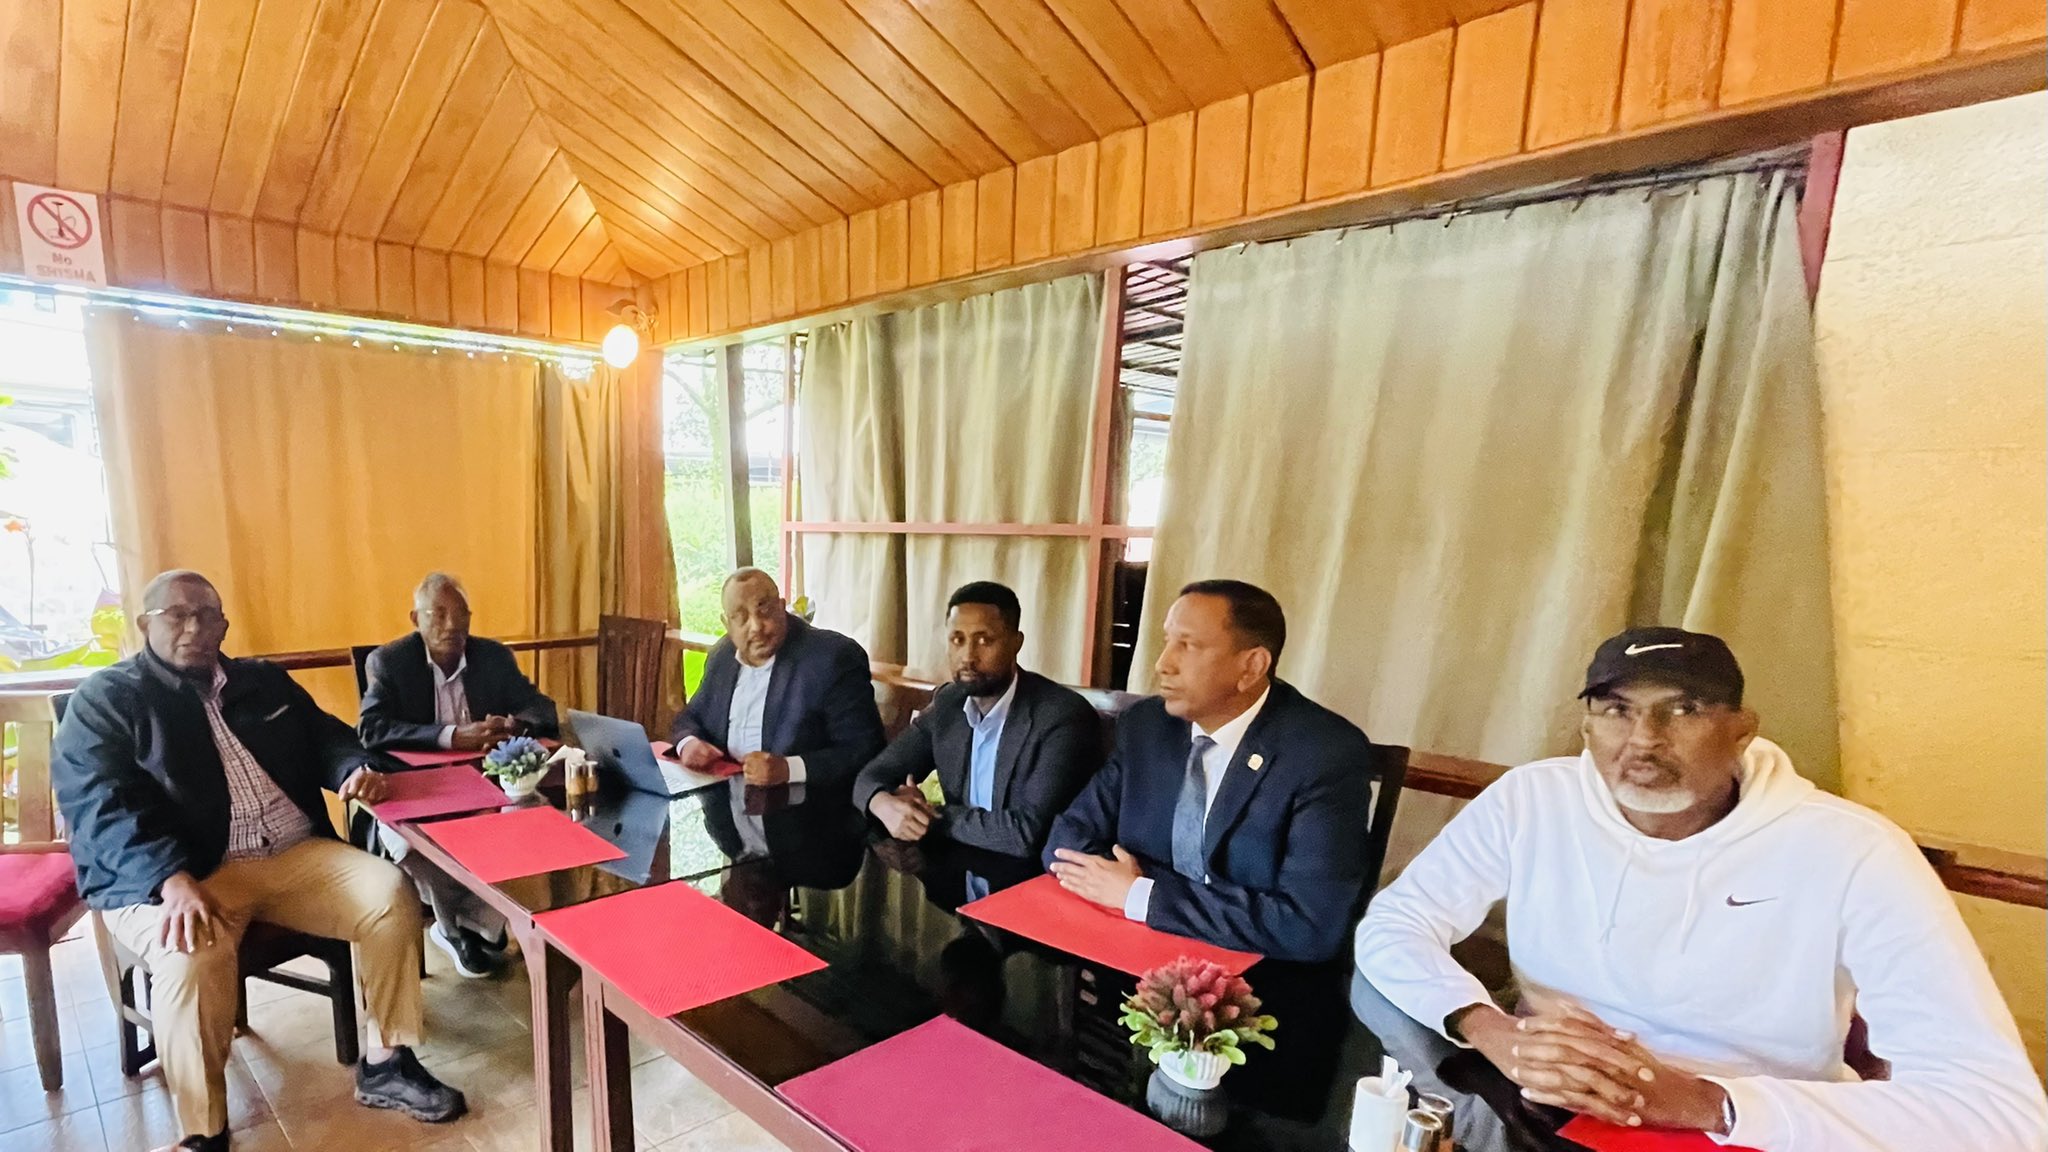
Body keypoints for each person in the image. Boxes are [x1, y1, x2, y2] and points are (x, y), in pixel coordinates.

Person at [1353, 627, 2048, 1152]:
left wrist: (1708, 1102)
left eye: (1683, 709)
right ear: (1586, 725)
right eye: (1616, 709)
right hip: (1545, 1106)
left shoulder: (1854, 850)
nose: (1643, 740)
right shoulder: (1533, 799)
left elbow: (2001, 1113)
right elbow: (1396, 924)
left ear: (1742, 729)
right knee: (1372, 998)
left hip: (1747, 1123)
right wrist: (1495, 1032)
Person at [52, 571, 465, 1152]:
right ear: (145, 624)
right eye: (177, 615)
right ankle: (203, 1131)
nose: (194, 627)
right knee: (192, 954)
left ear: (224, 625)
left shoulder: (261, 682)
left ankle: (386, 1062)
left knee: (388, 892)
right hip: (185, 873)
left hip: (291, 853)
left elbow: (325, 736)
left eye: (207, 615)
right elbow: (99, 805)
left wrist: (351, 767)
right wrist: (168, 878)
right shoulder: (108, 699)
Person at [1042, 580, 1377, 963]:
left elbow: (1309, 927)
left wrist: (1143, 895)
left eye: (1188, 645)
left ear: (1251, 666)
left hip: (1255, 979)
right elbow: (1065, 839)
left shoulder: (1322, 753)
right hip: (1134, 949)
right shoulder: (1148, 725)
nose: (1163, 663)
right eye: (1167, 641)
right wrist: (1125, 887)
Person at [357, 572, 557, 978]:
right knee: (413, 846)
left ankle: (467, 926)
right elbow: (371, 729)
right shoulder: (390, 661)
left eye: (461, 613)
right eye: (438, 614)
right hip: (420, 790)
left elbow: (542, 709)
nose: (452, 625)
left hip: (484, 786)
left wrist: (515, 724)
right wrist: (450, 736)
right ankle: (472, 924)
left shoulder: (493, 657)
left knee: (533, 825)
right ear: (416, 619)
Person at [853, 581, 1102, 857]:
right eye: (957, 640)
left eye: (984, 640)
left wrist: (927, 815)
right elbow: (871, 775)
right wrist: (882, 804)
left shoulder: (1062, 716)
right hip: (960, 866)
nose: (968, 657)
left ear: (1016, 643)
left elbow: (1025, 834)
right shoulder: (949, 703)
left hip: (1030, 875)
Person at [669, 568, 886, 794]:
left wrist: (789, 769)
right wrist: (688, 743)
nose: (756, 627)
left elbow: (864, 749)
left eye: (764, 610)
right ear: (727, 624)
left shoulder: (833, 658)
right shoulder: (723, 656)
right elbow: (690, 716)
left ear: (782, 607)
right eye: (741, 617)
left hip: (806, 804)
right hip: (727, 799)